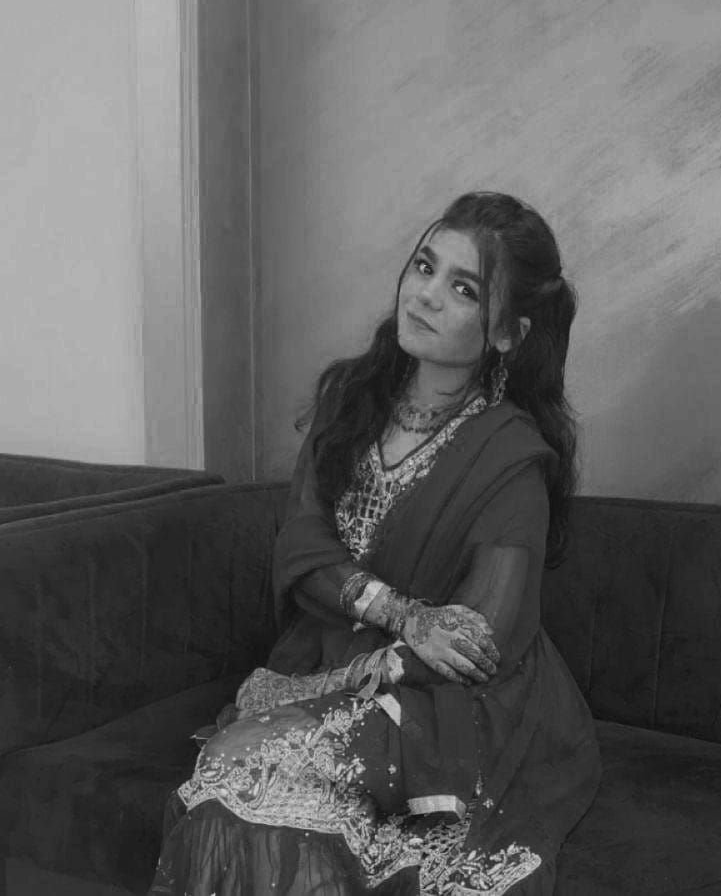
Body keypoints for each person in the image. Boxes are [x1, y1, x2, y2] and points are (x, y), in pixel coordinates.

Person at [149, 191, 601, 895]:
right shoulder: (352, 399)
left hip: (448, 699)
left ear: (508, 334)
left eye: (463, 289)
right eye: (424, 266)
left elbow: (479, 635)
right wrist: (401, 614)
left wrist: (397, 657)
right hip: (337, 661)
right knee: (231, 793)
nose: (425, 294)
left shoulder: (510, 456)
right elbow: (302, 547)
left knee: (253, 770)